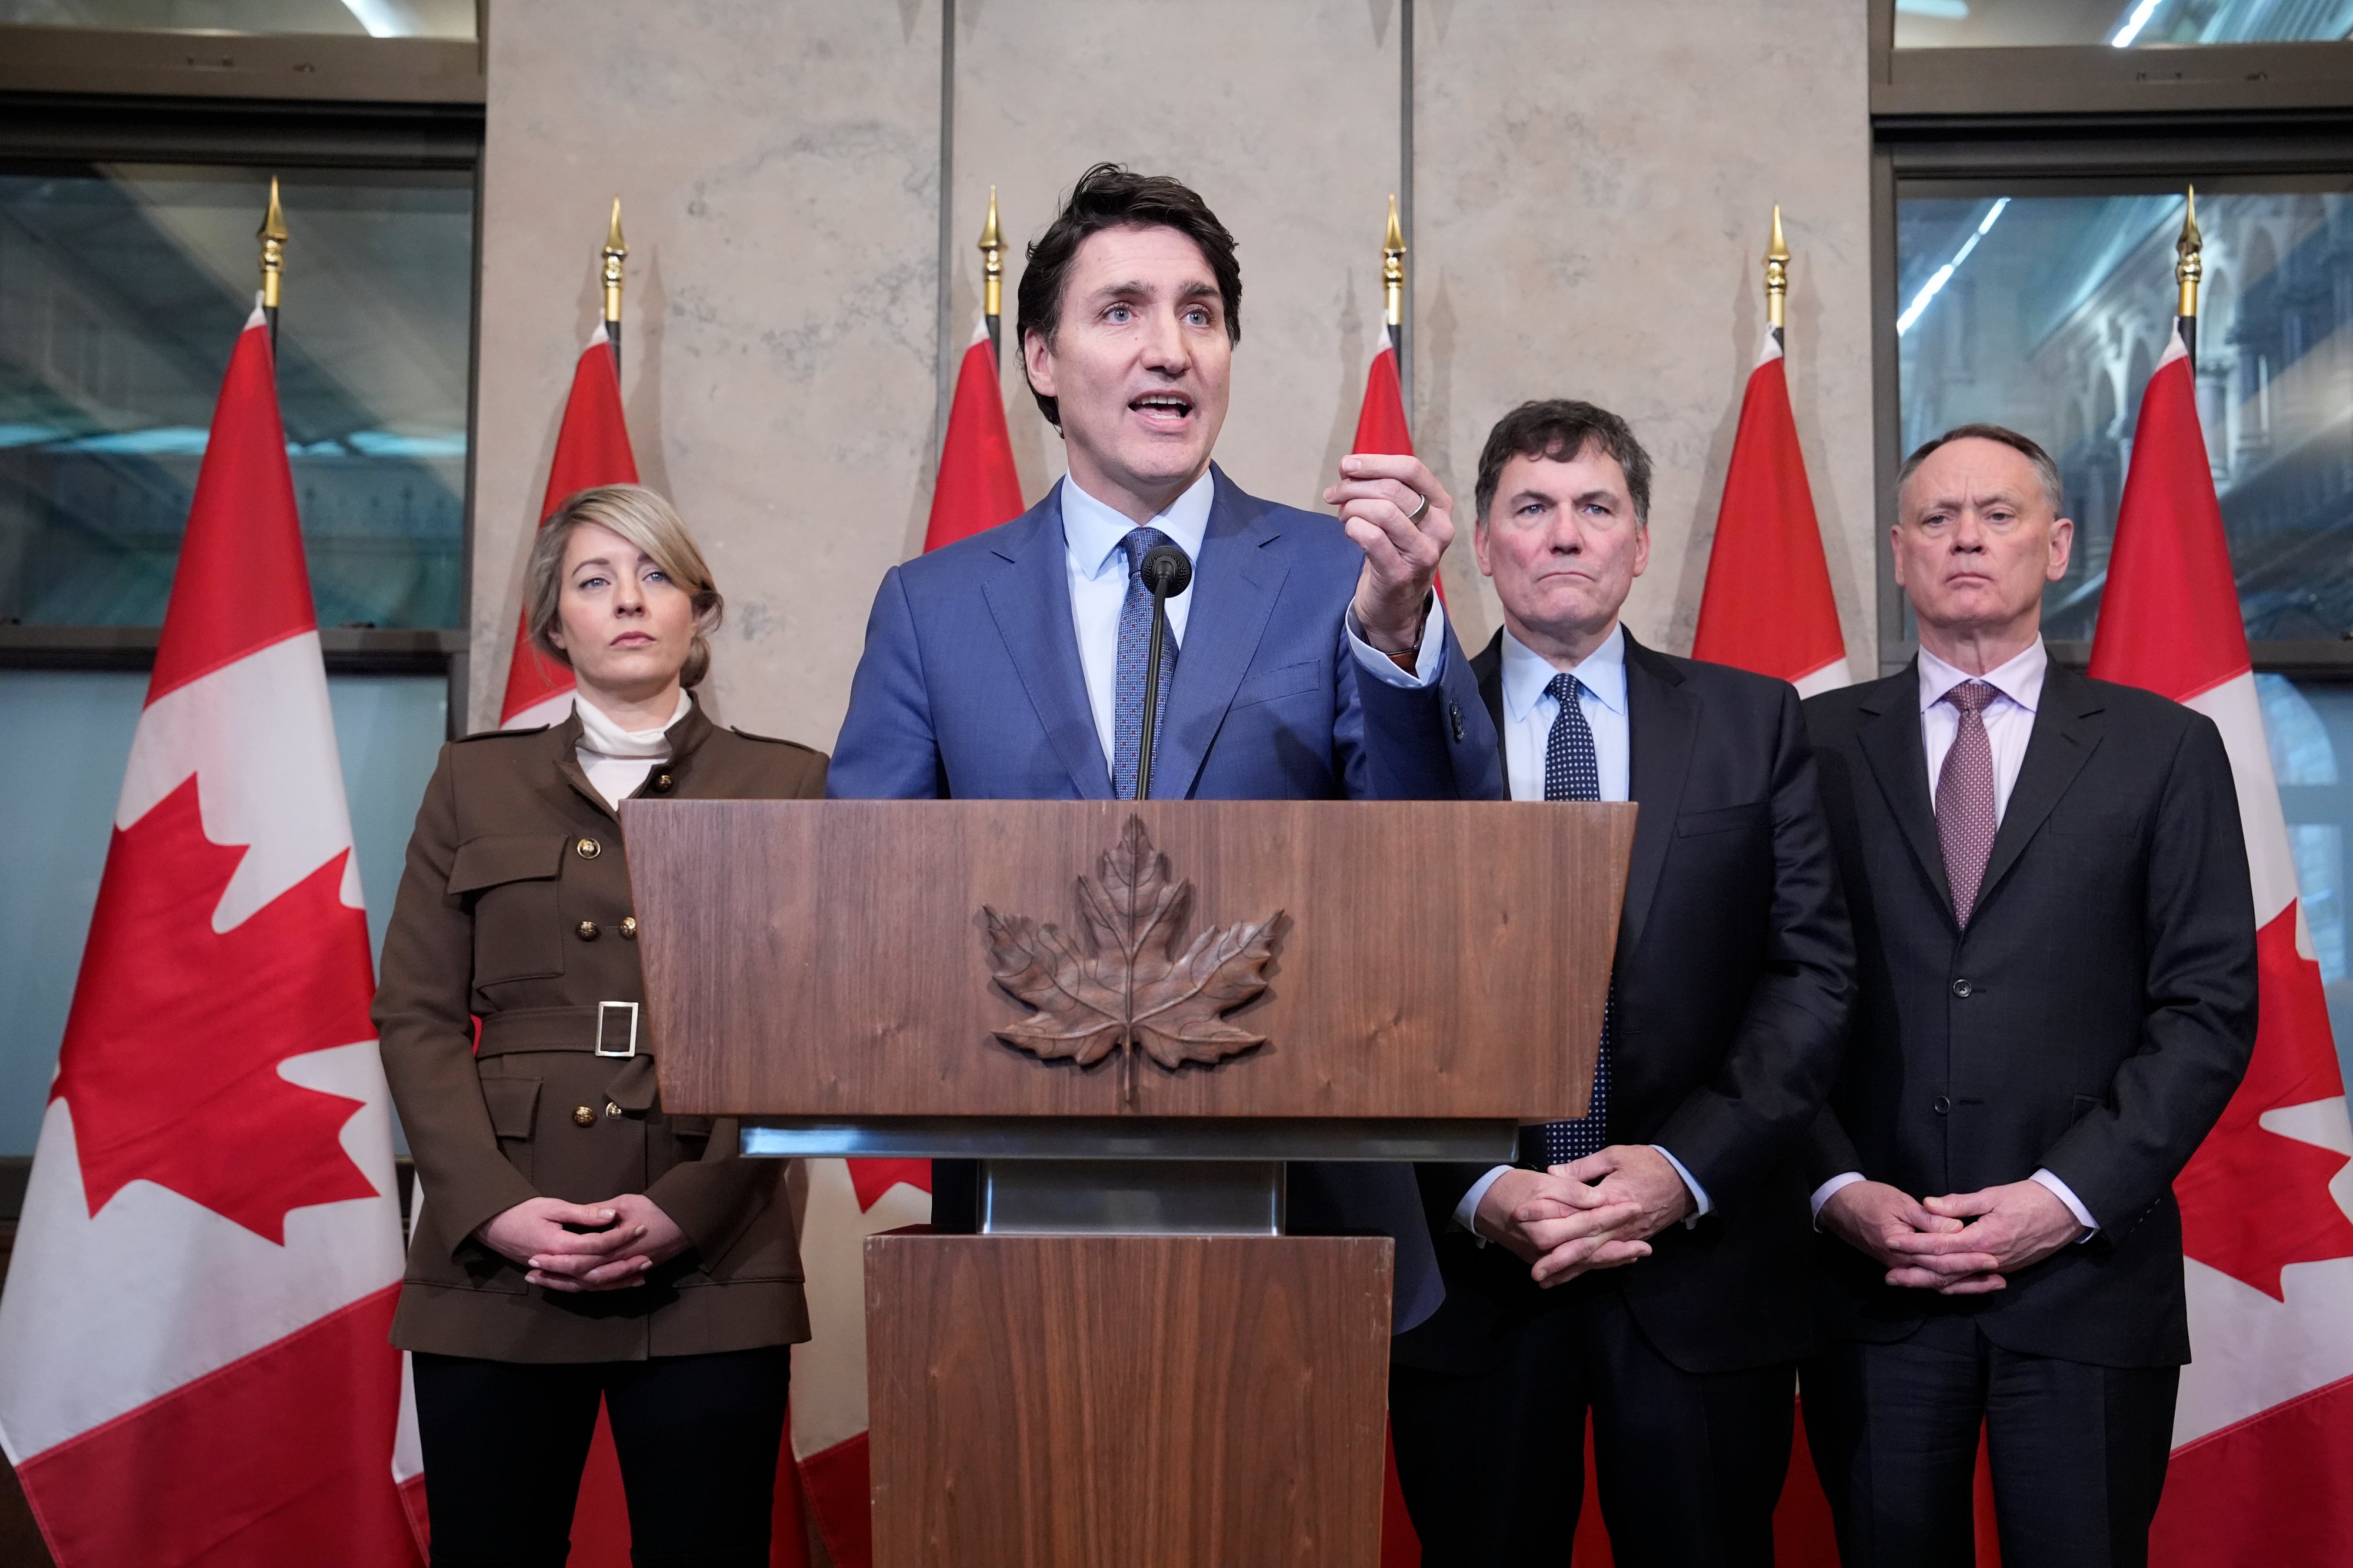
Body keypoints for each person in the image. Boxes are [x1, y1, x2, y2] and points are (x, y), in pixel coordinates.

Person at [826, 164, 1501, 1326]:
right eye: (1121, 311)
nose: (1171, 348)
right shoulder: (933, 607)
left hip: (1310, 1214)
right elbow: (863, 897)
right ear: (1040, 360)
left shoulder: (1339, 575)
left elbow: (1439, 858)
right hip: (1018, 1207)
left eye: (1199, 314)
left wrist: (1396, 637)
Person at [1388, 399, 1854, 1567]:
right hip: (1473, 1273)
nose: (1563, 535)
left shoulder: (1754, 724)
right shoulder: (1395, 737)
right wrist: (1480, 1182)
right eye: (1530, 508)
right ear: (1480, 545)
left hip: (1694, 1264)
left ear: (1639, 542)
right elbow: (1366, 996)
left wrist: (1680, 1167)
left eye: (1594, 507)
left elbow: (1808, 976)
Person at [1800, 424, 2257, 1568]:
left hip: (2086, 1285)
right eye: (1938, 518)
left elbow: (2204, 1008)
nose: (1966, 538)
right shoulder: (1803, 748)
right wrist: (1835, 1185)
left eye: (1996, 515)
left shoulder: (2163, 750)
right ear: (1899, 552)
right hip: (1871, 1278)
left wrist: (2061, 1197)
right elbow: (1766, 998)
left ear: (2054, 546)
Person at [374, 484, 828, 1567]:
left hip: (714, 1250)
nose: (629, 600)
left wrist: (689, 1209)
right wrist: (490, 1210)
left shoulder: (791, 785)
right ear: (553, 622)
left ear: (698, 609)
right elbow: (418, 1014)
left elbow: (808, 1028)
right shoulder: (470, 781)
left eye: (656, 575)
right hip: (495, 1259)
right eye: (595, 580)